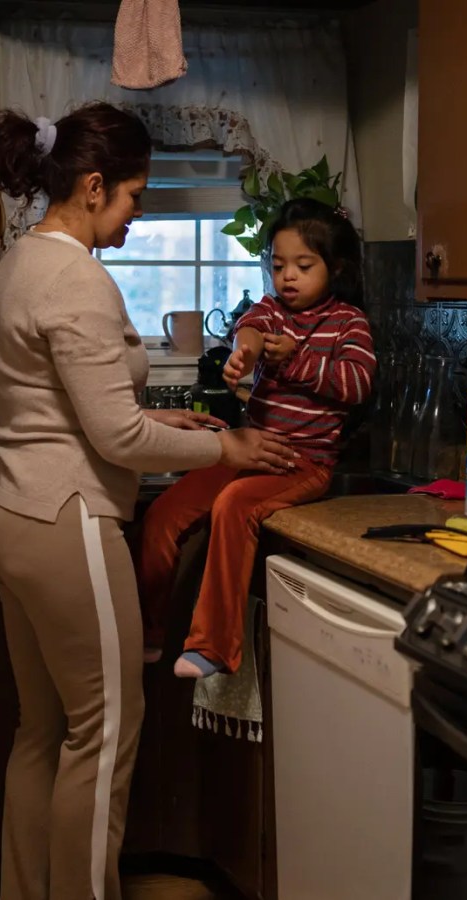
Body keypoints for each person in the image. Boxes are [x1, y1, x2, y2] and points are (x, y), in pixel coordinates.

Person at [0, 102, 297, 900]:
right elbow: (114, 441)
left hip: (10, 511)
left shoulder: (19, 262)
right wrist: (226, 445)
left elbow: (62, 408)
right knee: (107, 732)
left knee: (43, 733)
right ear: (91, 187)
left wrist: (158, 420)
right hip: (65, 521)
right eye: (133, 196)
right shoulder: (76, 279)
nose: (136, 213)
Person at [136, 198, 377, 678]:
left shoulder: (349, 323)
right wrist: (242, 357)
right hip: (252, 449)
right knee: (163, 514)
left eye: (303, 266)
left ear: (337, 268)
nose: (287, 276)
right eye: (278, 264)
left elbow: (355, 386)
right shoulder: (272, 311)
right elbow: (250, 329)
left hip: (302, 464)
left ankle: (214, 646)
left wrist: (295, 359)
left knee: (235, 506)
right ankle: (148, 630)